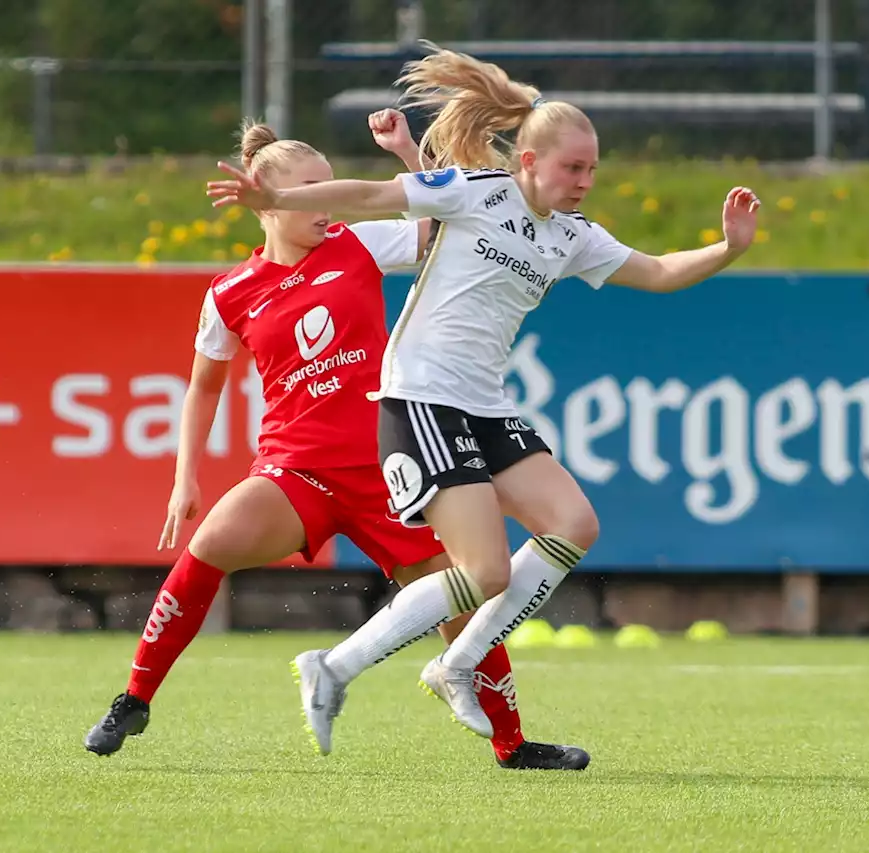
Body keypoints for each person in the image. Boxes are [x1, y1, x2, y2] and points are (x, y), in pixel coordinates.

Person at [205, 42, 761, 747]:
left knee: (573, 523)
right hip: (422, 398)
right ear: (528, 161)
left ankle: (456, 663)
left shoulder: (571, 237)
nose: (585, 180)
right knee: (484, 570)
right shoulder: (473, 191)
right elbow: (372, 196)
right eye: (572, 167)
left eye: (591, 168)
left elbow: (655, 271)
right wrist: (277, 197)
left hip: (484, 404)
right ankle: (334, 665)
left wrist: (728, 248)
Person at [84, 113, 591, 771]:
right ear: (268, 202)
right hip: (296, 472)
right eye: (309, 188)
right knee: (208, 545)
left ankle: (513, 743)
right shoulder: (230, 292)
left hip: (390, 468)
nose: (325, 200)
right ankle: (134, 697)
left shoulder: (360, 243)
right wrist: (186, 477)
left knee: (464, 595)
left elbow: (448, 221)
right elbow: (203, 387)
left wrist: (408, 153)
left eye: (329, 185)